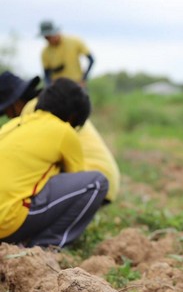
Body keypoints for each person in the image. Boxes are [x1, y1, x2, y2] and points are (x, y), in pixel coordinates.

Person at [0, 78, 108, 248]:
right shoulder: (64, 131)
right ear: (72, 117)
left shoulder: (12, 124)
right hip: (8, 222)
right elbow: (75, 181)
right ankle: (46, 246)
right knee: (96, 183)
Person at [0, 71, 121, 203]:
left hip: (90, 181)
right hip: (104, 179)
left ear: (15, 103)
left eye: (6, 111)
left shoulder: (33, 111)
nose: (8, 117)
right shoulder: (57, 103)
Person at [39, 20, 94, 86]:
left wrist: (84, 78)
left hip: (77, 83)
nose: (49, 40)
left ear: (55, 32)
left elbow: (91, 59)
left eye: (49, 37)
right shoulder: (45, 52)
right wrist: (49, 86)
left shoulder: (74, 42)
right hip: (58, 87)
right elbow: (46, 73)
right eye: (46, 38)